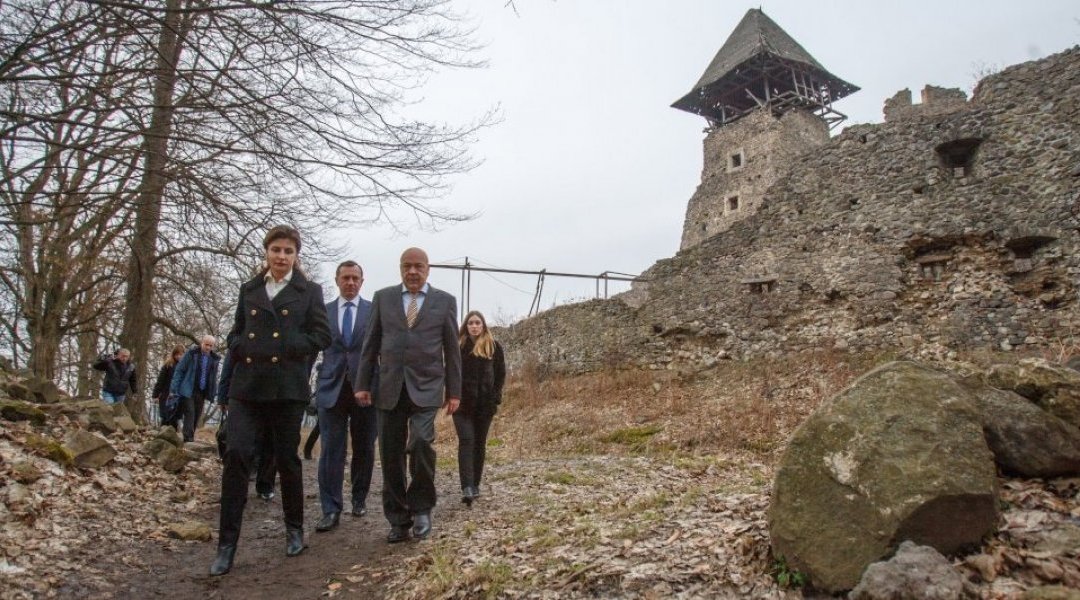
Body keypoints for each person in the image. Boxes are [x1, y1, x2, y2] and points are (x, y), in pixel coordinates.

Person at [209, 225, 331, 576]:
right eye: (276, 250)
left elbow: (322, 335)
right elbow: (235, 331)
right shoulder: (249, 289)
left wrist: (289, 346)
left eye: (288, 251)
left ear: (296, 255)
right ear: (266, 252)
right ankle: (226, 545)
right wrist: (239, 346)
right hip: (247, 387)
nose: (281, 256)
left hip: (287, 388)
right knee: (236, 455)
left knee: (286, 459)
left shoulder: (309, 291)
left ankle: (294, 530)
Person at [354, 247, 461, 543]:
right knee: (390, 454)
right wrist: (362, 383)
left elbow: (452, 349)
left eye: (418, 266)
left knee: (422, 442)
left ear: (428, 269)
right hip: (389, 387)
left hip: (427, 387)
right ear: (400, 268)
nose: (412, 271)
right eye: (406, 266)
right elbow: (370, 344)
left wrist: (455, 391)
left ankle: (422, 507)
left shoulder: (445, 301)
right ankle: (398, 518)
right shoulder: (383, 298)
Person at [313, 261, 378, 532]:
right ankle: (330, 508)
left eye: (355, 278)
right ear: (337, 280)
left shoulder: (374, 311)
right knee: (331, 449)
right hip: (331, 388)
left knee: (364, 447)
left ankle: (359, 498)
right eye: (346, 278)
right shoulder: (322, 311)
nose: (350, 282)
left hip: (366, 389)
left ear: (362, 281)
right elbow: (313, 347)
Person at [454, 311, 506, 506]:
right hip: (462, 405)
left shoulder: (494, 347)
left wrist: (495, 397)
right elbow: (450, 372)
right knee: (466, 440)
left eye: (478, 323)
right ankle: (466, 486)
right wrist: (452, 395)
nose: (474, 326)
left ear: (483, 325)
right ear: (465, 326)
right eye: (471, 323)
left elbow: (500, 374)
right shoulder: (458, 347)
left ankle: (475, 484)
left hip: (485, 405)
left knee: (479, 443)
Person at [217, 352, 276, 500]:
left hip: (274, 395)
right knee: (238, 442)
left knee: (270, 440)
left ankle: (265, 484)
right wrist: (222, 396)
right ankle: (237, 488)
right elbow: (229, 362)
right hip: (243, 393)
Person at [170, 335, 221, 443]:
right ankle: (188, 438)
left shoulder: (214, 359)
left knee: (197, 414)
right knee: (190, 412)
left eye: (211, 345)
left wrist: (213, 392)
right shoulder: (191, 354)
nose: (208, 347)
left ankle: (190, 436)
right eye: (206, 344)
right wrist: (174, 388)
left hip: (202, 392)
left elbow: (213, 377)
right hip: (188, 389)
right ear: (202, 343)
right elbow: (179, 370)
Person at [152, 345, 185, 427]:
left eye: (181, 354)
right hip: (166, 395)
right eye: (177, 354)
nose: (179, 356)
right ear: (173, 354)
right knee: (165, 417)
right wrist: (155, 395)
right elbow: (160, 381)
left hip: (179, 395)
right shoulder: (168, 365)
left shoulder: (185, 367)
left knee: (175, 418)